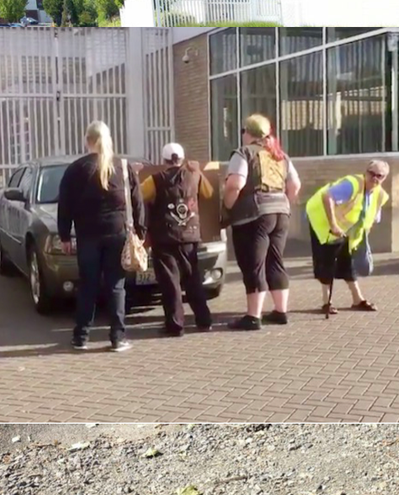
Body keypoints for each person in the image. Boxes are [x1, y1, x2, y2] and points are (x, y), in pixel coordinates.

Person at [58, 121, 144, 352]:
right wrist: (141, 232)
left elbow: (64, 205)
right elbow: (137, 202)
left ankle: (81, 337)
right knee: (116, 286)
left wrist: (64, 235)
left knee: (88, 285)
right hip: (117, 234)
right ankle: (117, 338)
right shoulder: (123, 167)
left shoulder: (75, 169)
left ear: (87, 141)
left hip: (87, 236)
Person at [223, 114, 301, 331]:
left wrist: (228, 206)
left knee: (254, 264)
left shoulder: (243, 153)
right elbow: (295, 185)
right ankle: (280, 311)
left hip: (254, 215)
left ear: (248, 133)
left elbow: (235, 184)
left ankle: (253, 316)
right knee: (275, 260)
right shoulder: (281, 156)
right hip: (281, 212)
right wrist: (284, 202)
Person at [140, 142, 214, 336]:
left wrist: (134, 174)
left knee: (170, 283)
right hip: (190, 236)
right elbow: (209, 193)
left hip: (164, 238)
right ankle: (204, 320)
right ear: (182, 159)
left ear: (163, 161)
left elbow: (138, 196)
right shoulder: (194, 176)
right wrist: (199, 171)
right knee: (193, 279)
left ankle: (175, 325)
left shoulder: (154, 180)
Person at [305, 160, 390, 316]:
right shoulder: (352, 184)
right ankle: (326, 302)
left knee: (347, 261)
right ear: (366, 172)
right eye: (371, 173)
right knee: (327, 261)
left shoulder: (379, 195)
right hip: (322, 221)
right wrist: (333, 225)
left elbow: (370, 219)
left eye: (380, 176)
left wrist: (359, 238)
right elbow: (327, 196)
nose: (375, 178)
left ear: (384, 178)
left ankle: (357, 299)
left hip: (346, 229)